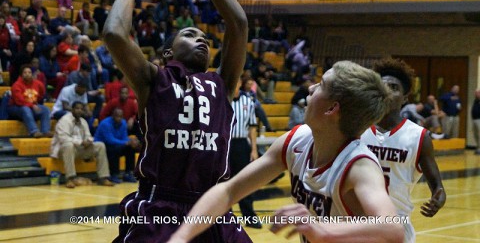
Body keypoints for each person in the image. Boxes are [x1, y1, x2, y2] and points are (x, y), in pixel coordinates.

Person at [98, 0, 249, 242]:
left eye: (204, 37)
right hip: (160, 206)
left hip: (214, 206)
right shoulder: (155, 79)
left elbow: (237, 23)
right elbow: (113, 33)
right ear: (167, 54)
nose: (202, 39)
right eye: (189, 34)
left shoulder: (222, 82)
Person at [165, 60, 403, 243]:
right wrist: (181, 236)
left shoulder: (359, 167)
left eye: (320, 85)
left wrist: (322, 230)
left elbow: (393, 228)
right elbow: (229, 190)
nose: (310, 88)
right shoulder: (296, 141)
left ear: (332, 108)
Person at [361, 58, 446, 243]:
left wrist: (437, 199)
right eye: (382, 87)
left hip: (395, 223)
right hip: (358, 221)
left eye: (394, 87)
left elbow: (437, 186)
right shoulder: (358, 128)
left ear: (405, 97)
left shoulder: (419, 137)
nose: (387, 92)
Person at [50, 101, 114, 188]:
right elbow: (63, 138)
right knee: (68, 145)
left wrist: (88, 141)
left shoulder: (83, 121)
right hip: (62, 151)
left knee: (100, 145)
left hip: (78, 150)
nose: (79, 111)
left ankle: (103, 177)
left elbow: (88, 135)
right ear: (72, 109)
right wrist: (81, 142)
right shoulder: (64, 120)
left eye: (81, 109)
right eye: (77, 108)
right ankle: (70, 178)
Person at [230, 79, 260, 228]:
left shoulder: (248, 101)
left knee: (245, 182)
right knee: (222, 181)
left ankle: (249, 216)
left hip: (241, 144)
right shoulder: (221, 98)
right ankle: (225, 217)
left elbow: (252, 127)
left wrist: (254, 149)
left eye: (235, 83)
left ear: (239, 83)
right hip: (224, 144)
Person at [94, 107, 139, 183]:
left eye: (121, 116)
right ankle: (114, 174)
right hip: (103, 146)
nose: (119, 118)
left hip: (117, 144)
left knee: (130, 148)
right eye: (117, 116)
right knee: (114, 149)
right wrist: (125, 142)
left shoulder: (123, 123)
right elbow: (110, 140)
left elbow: (124, 137)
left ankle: (128, 173)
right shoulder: (105, 124)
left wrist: (131, 141)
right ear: (112, 116)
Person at [7, 64, 52, 138]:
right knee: (25, 109)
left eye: (29, 72)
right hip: (15, 108)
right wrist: (32, 105)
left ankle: (45, 131)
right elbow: (19, 101)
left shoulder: (37, 83)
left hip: (31, 106)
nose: (27, 74)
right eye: (25, 72)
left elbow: (42, 93)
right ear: (21, 74)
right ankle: (34, 131)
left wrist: (35, 102)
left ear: (32, 74)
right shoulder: (16, 85)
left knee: (45, 109)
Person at [472, 89, 480, 155]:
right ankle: (478, 147)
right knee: (475, 134)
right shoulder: (476, 100)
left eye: (476, 93)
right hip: (474, 119)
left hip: (479, 119)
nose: (475, 94)